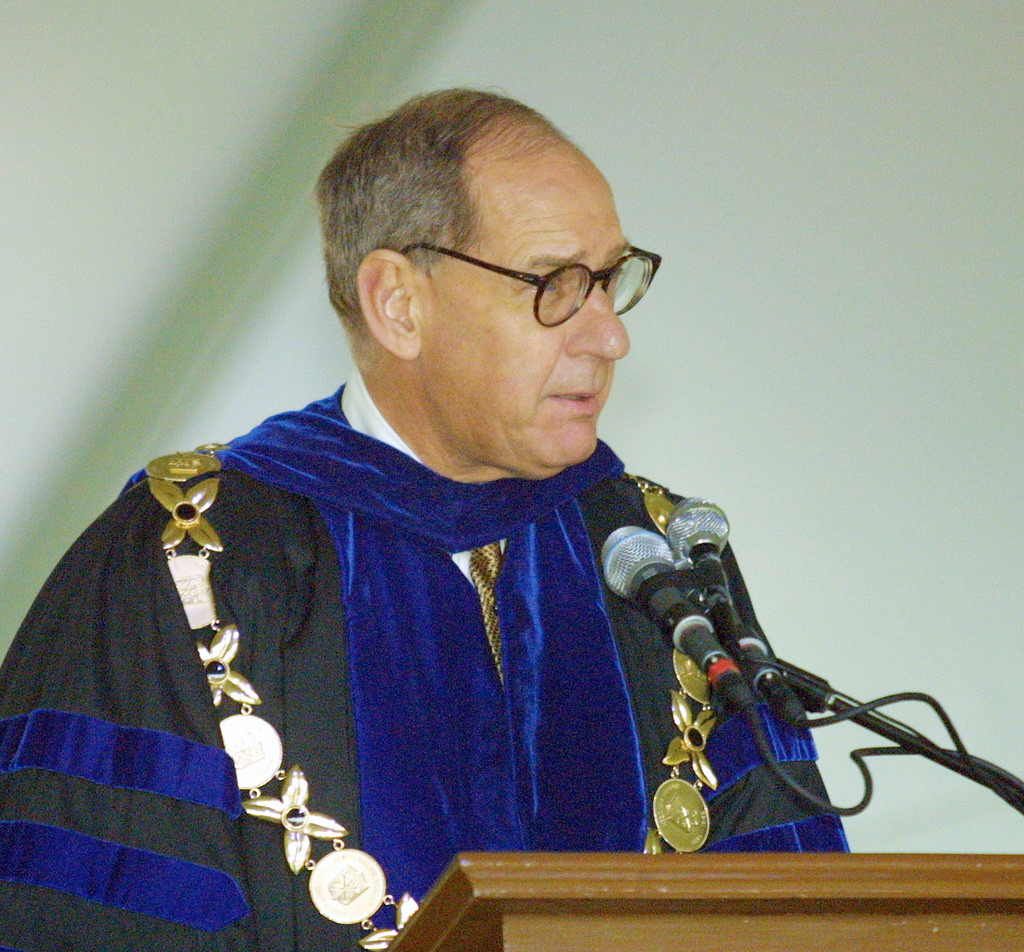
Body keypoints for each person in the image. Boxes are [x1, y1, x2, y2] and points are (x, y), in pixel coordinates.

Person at [0, 89, 846, 952]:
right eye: (556, 284)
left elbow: (786, 907)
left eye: (611, 279)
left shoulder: (655, 560)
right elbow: (83, 920)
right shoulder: (187, 559)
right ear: (398, 304)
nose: (609, 337)